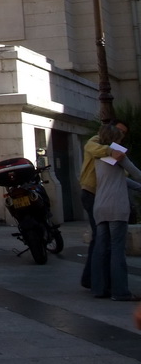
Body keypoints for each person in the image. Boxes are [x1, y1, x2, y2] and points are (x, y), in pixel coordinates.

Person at [91, 122, 141, 301]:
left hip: (100, 205)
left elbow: (121, 180)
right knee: (117, 249)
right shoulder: (117, 152)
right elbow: (135, 173)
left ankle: (99, 288)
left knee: (101, 249)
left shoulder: (100, 155)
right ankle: (120, 291)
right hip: (116, 206)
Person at [79, 120, 128, 289]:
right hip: (92, 193)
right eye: (118, 131)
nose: (121, 135)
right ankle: (95, 280)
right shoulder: (97, 143)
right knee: (102, 242)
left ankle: (97, 281)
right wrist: (111, 150)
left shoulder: (114, 152)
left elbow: (123, 174)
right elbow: (91, 148)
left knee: (101, 240)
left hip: (99, 196)